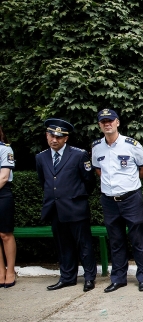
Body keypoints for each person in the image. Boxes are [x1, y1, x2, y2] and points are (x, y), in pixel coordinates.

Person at [91, 108, 143, 292]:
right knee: (115, 239)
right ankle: (118, 278)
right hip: (109, 200)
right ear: (100, 125)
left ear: (117, 122)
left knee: (137, 238)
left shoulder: (131, 144)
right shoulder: (96, 147)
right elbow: (98, 170)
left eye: (110, 120)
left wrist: (130, 183)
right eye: (103, 122)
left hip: (130, 197)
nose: (107, 124)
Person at [36, 118, 97, 291]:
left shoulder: (78, 154)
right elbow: (44, 181)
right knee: (63, 246)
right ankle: (67, 277)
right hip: (55, 208)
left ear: (66, 138)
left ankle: (89, 277)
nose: (54, 140)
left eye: (59, 137)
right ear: (47, 135)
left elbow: (89, 181)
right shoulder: (41, 157)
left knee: (84, 244)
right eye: (51, 136)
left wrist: (76, 197)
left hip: (76, 208)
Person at [0, 125, 17, 288]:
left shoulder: (5, 149)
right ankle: (0, 272)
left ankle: (10, 271)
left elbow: (4, 177)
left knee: (5, 234)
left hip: (2, 194)